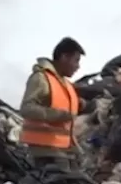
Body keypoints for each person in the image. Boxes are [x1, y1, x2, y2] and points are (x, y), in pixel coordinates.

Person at [19, 36, 86, 165]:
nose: (78, 66)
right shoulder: (41, 78)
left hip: (62, 147)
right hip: (43, 149)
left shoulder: (65, 84)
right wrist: (58, 115)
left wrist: (79, 104)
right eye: (76, 61)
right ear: (64, 57)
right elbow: (27, 108)